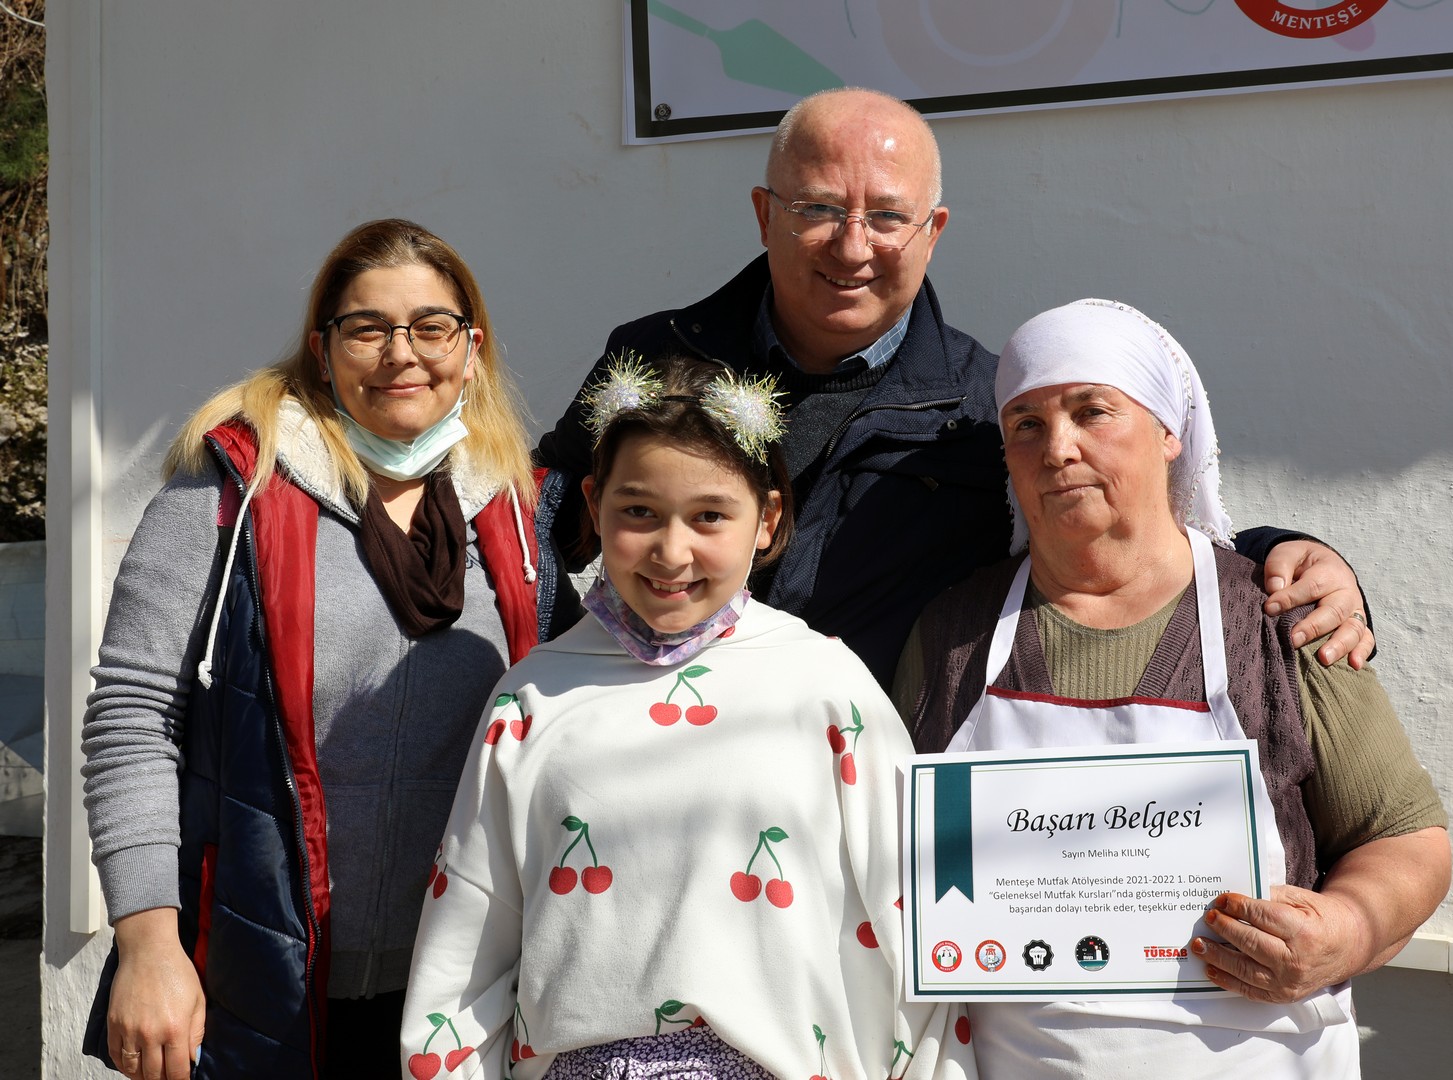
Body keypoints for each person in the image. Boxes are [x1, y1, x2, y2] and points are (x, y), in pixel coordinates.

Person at [536, 86, 1374, 687]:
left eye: (889, 217)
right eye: (818, 209)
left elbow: (1116, 534)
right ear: (765, 214)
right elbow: (542, 525)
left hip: (867, 782)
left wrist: (1276, 550)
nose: (853, 246)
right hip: (648, 745)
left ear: (932, 231)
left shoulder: (985, 411)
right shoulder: (653, 359)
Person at [894, 299, 1450, 1078]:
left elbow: (1404, 833)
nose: (1059, 449)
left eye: (1094, 412)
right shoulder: (953, 634)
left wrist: (1348, 929)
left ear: (1168, 432)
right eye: (1026, 424)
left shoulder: (1278, 618)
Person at [80, 219, 577, 1080]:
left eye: (430, 326)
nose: (401, 354)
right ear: (322, 348)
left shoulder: (514, 508)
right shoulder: (232, 486)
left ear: (471, 345)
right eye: (367, 329)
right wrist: (148, 946)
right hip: (265, 978)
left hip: (469, 986)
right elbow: (133, 716)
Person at [401, 355, 974, 1079]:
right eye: (638, 511)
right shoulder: (535, 698)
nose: (673, 552)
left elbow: (917, 923)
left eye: (710, 516)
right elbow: (468, 943)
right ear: (593, 501)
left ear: (766, 518)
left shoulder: (826, 688)